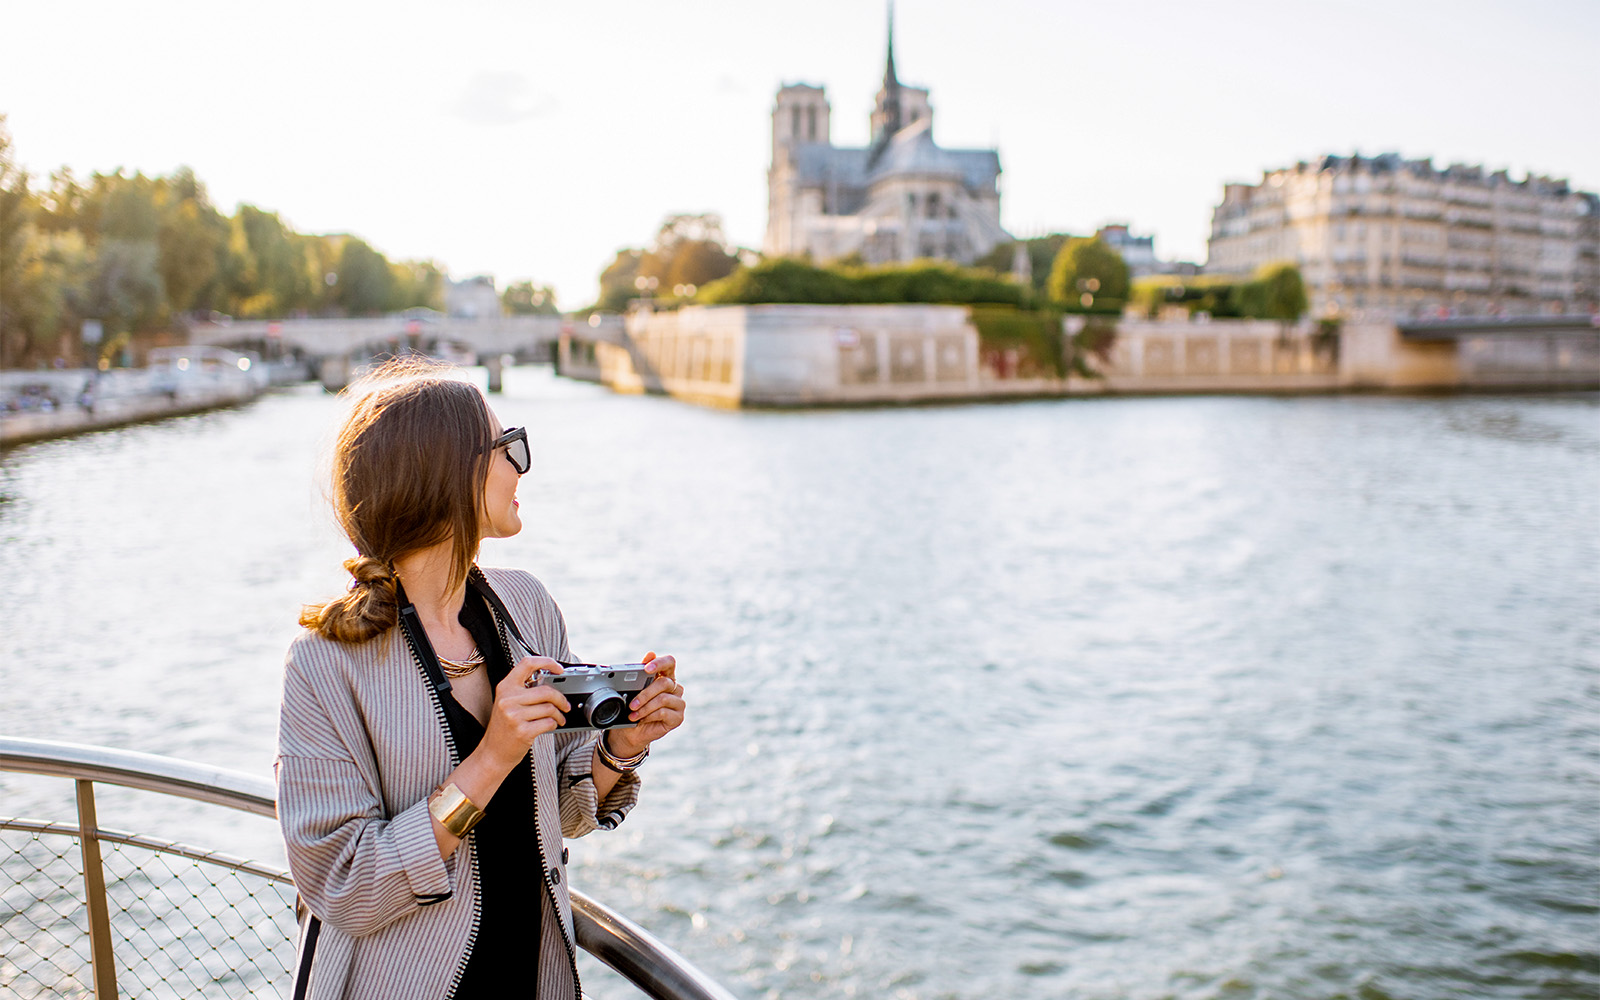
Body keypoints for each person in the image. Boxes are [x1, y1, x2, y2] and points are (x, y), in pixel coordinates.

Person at [276, 358, 686, 1000]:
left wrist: (617, 748)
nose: (522, 465)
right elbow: (343, 885)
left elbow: (566, 813)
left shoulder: (527, 607)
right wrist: (491, 757)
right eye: (507, 448)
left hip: (532, 977)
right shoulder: (326, 662)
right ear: (448, 473)